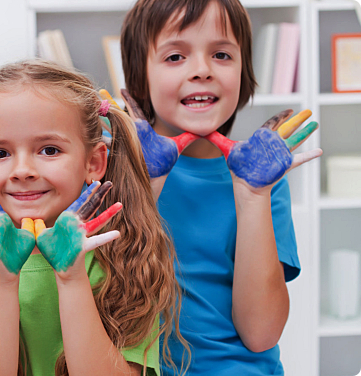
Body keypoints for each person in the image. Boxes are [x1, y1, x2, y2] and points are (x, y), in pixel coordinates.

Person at [0, 60, 182, 376]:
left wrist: (71, 276)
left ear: (93, 162)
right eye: (0, 154)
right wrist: (3, 280)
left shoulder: (128, 253)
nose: (22, 171)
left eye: (48, 150)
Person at [120, 0, 322, 374]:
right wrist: (143, 184)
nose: (201, 70)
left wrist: (253, 195)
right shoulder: (113, 168)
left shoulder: (262, 180)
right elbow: (105, 300)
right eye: (176, 56)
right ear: (139, 76)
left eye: (222, 54)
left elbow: (261, 333)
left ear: (243, 74)